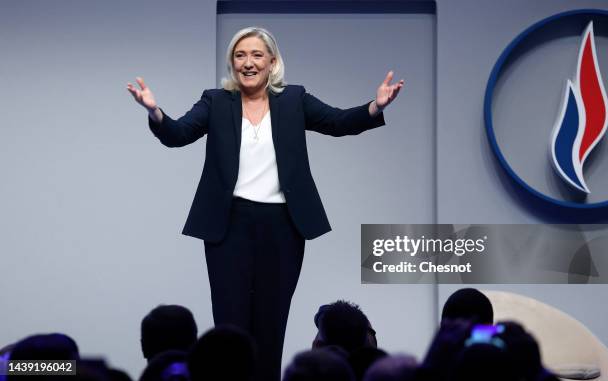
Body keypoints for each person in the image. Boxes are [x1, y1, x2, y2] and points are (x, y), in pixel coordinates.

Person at [127, 26, 403, 381]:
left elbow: (337, 122)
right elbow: (178, 134)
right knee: (231, 324)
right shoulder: (215, 101)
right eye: (240, 55)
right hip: (229, 225)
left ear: (272, 62)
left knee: (271, 323)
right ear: (232, 63)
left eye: (257, 55)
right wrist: (155, 112)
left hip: (283, 226)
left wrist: (374, 106)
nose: (248, 62)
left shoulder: (294, 100)